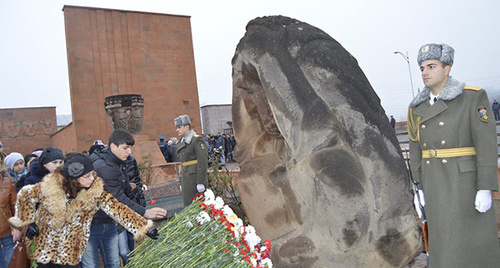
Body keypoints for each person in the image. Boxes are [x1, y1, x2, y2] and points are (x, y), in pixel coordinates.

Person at [407, 43, 500, 267]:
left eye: (431, 66)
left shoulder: (471, 98)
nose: (425, 73)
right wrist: (418, 188)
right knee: (443, 242)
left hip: (465, 183)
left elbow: (486, 144)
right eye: (421, 68)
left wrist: (485, 186)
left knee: (472, 242)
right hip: (434, 183)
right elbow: (415, 149)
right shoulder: (416, 108)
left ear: (447, 69)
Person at [8, 153, 159, 267]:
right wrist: (26, 222)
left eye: (93, 174)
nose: (92, 178)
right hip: (46, 249)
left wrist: (143, 226)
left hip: (71, 252)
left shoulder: (95, 192)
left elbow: (117, 209)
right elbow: (25, 195)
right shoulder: (51, 187)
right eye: (87, 176)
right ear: (75, 177)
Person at [83, 129, 166, 268]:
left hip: (108, 220)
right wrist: (145, 214)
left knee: (114, 262)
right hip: (92, 223)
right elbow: (119, 198)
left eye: (130, 148)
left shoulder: (116, 161)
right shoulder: (104, 167)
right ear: (113, 146)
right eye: (125, 148)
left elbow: (126, 189)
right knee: (92, 264)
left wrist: (142, 221)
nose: (129, 152)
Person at [174, 115, 208, 207]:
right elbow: (183, 164)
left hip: (194, 178)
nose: (177, 130)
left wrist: (200, 181)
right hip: (186, 177)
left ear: (187, 127)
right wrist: (181, 181)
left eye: (179, 127)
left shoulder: (196, 139)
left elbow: (202, 161)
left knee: (198, 206)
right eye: (177, 128)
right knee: (188, 205)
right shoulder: (181, 141)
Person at [0, 169, 16, 267]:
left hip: (5, 235)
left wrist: (17, 227)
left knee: (9, 264)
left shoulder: (7, 183)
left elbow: (15, 207)